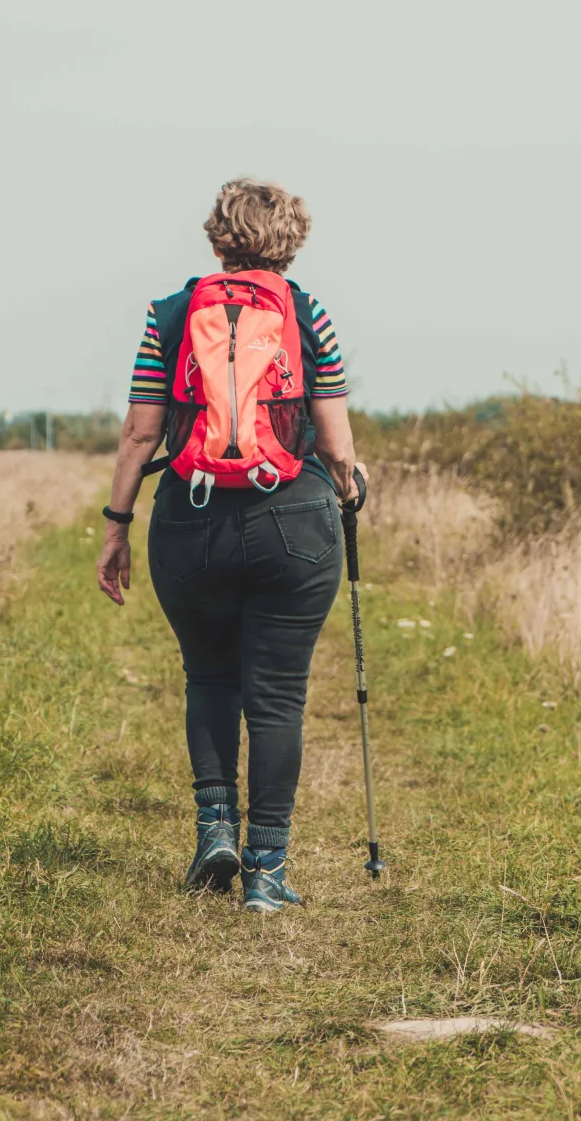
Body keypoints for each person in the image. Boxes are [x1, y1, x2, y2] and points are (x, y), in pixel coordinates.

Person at [96, 178, 364, 914]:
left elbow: (140, 433)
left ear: (217, 238)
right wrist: (348, 489)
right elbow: (336, 444)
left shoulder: (171, 315)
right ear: (291, 241)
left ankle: (215, 829)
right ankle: (267, 874)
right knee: (277, 697)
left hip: (191, 516)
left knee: (209, 678)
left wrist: (117, 524)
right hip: (294, 521)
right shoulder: (307, 315)